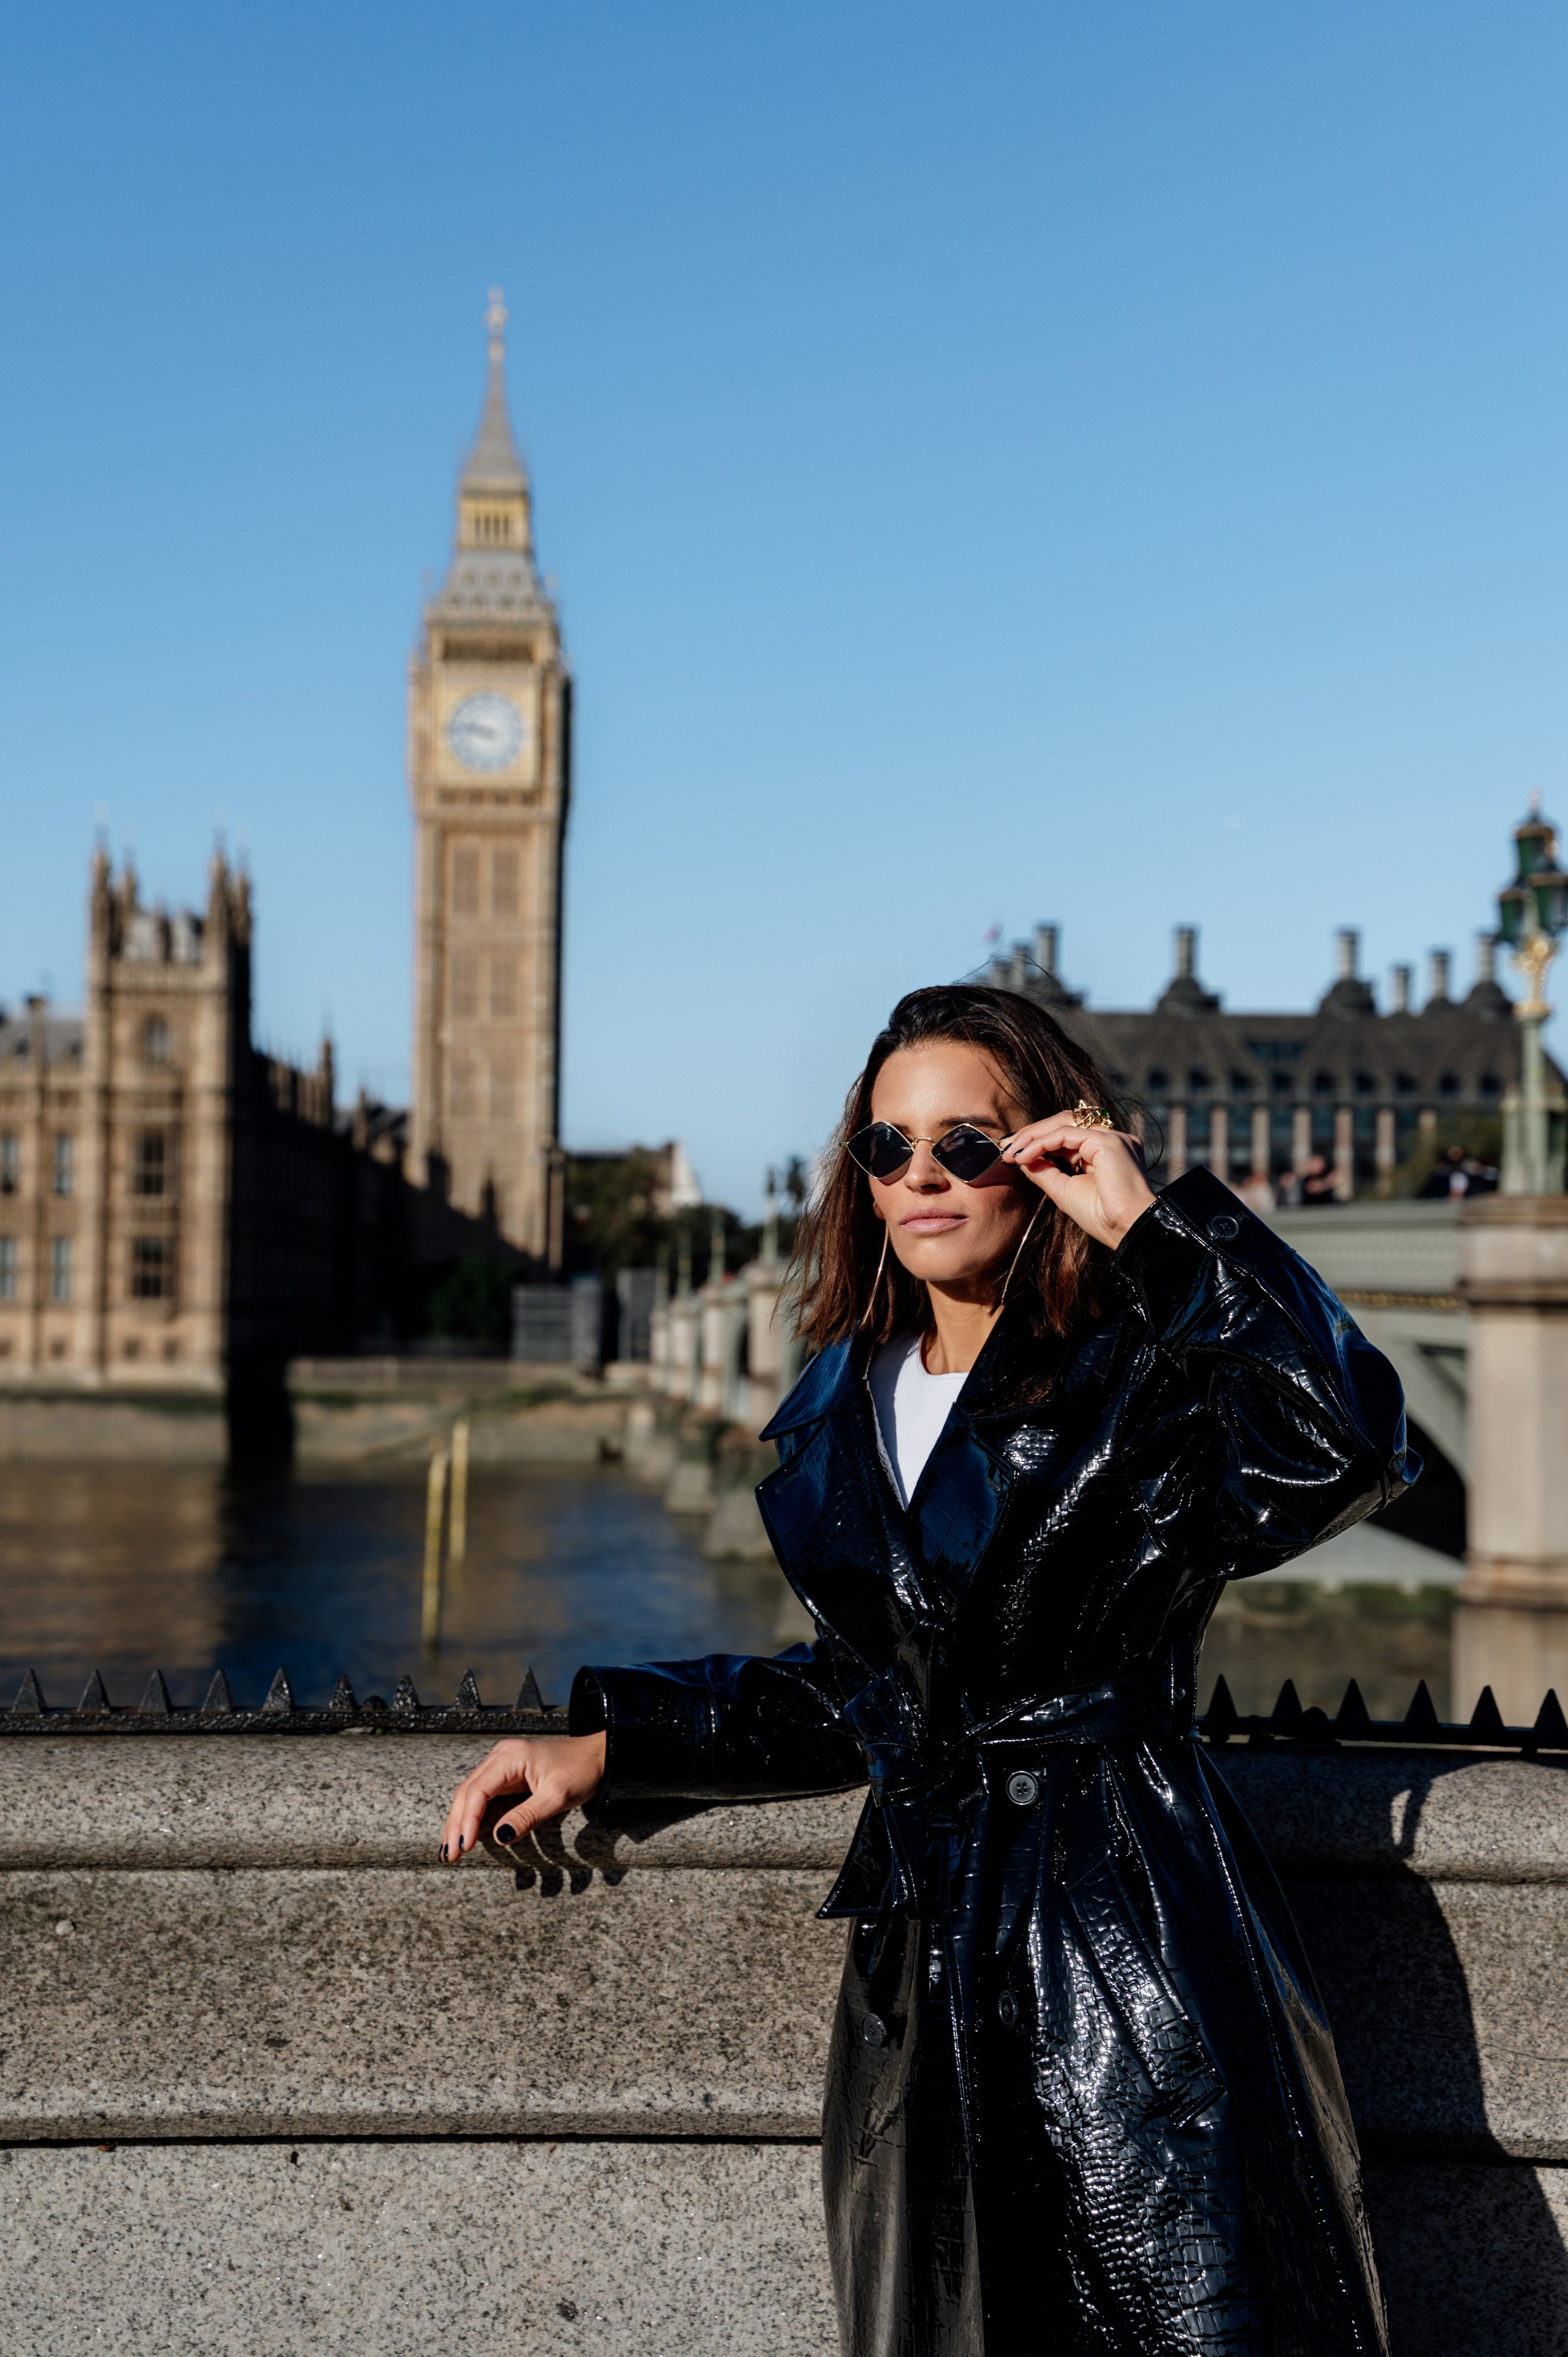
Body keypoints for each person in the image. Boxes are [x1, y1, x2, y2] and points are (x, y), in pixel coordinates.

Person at [440, 985, 1415, 2356]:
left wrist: (1151, 1229)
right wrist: (613, 1743)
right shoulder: (848, 1394)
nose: (920, 1177)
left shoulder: (1139, 1373)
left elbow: (1344, 1444)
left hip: (1118, 1945)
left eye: (967, 1143)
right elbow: (876, 1690)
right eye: (886, 1148)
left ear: (1046, 1152)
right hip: (923, 1963)